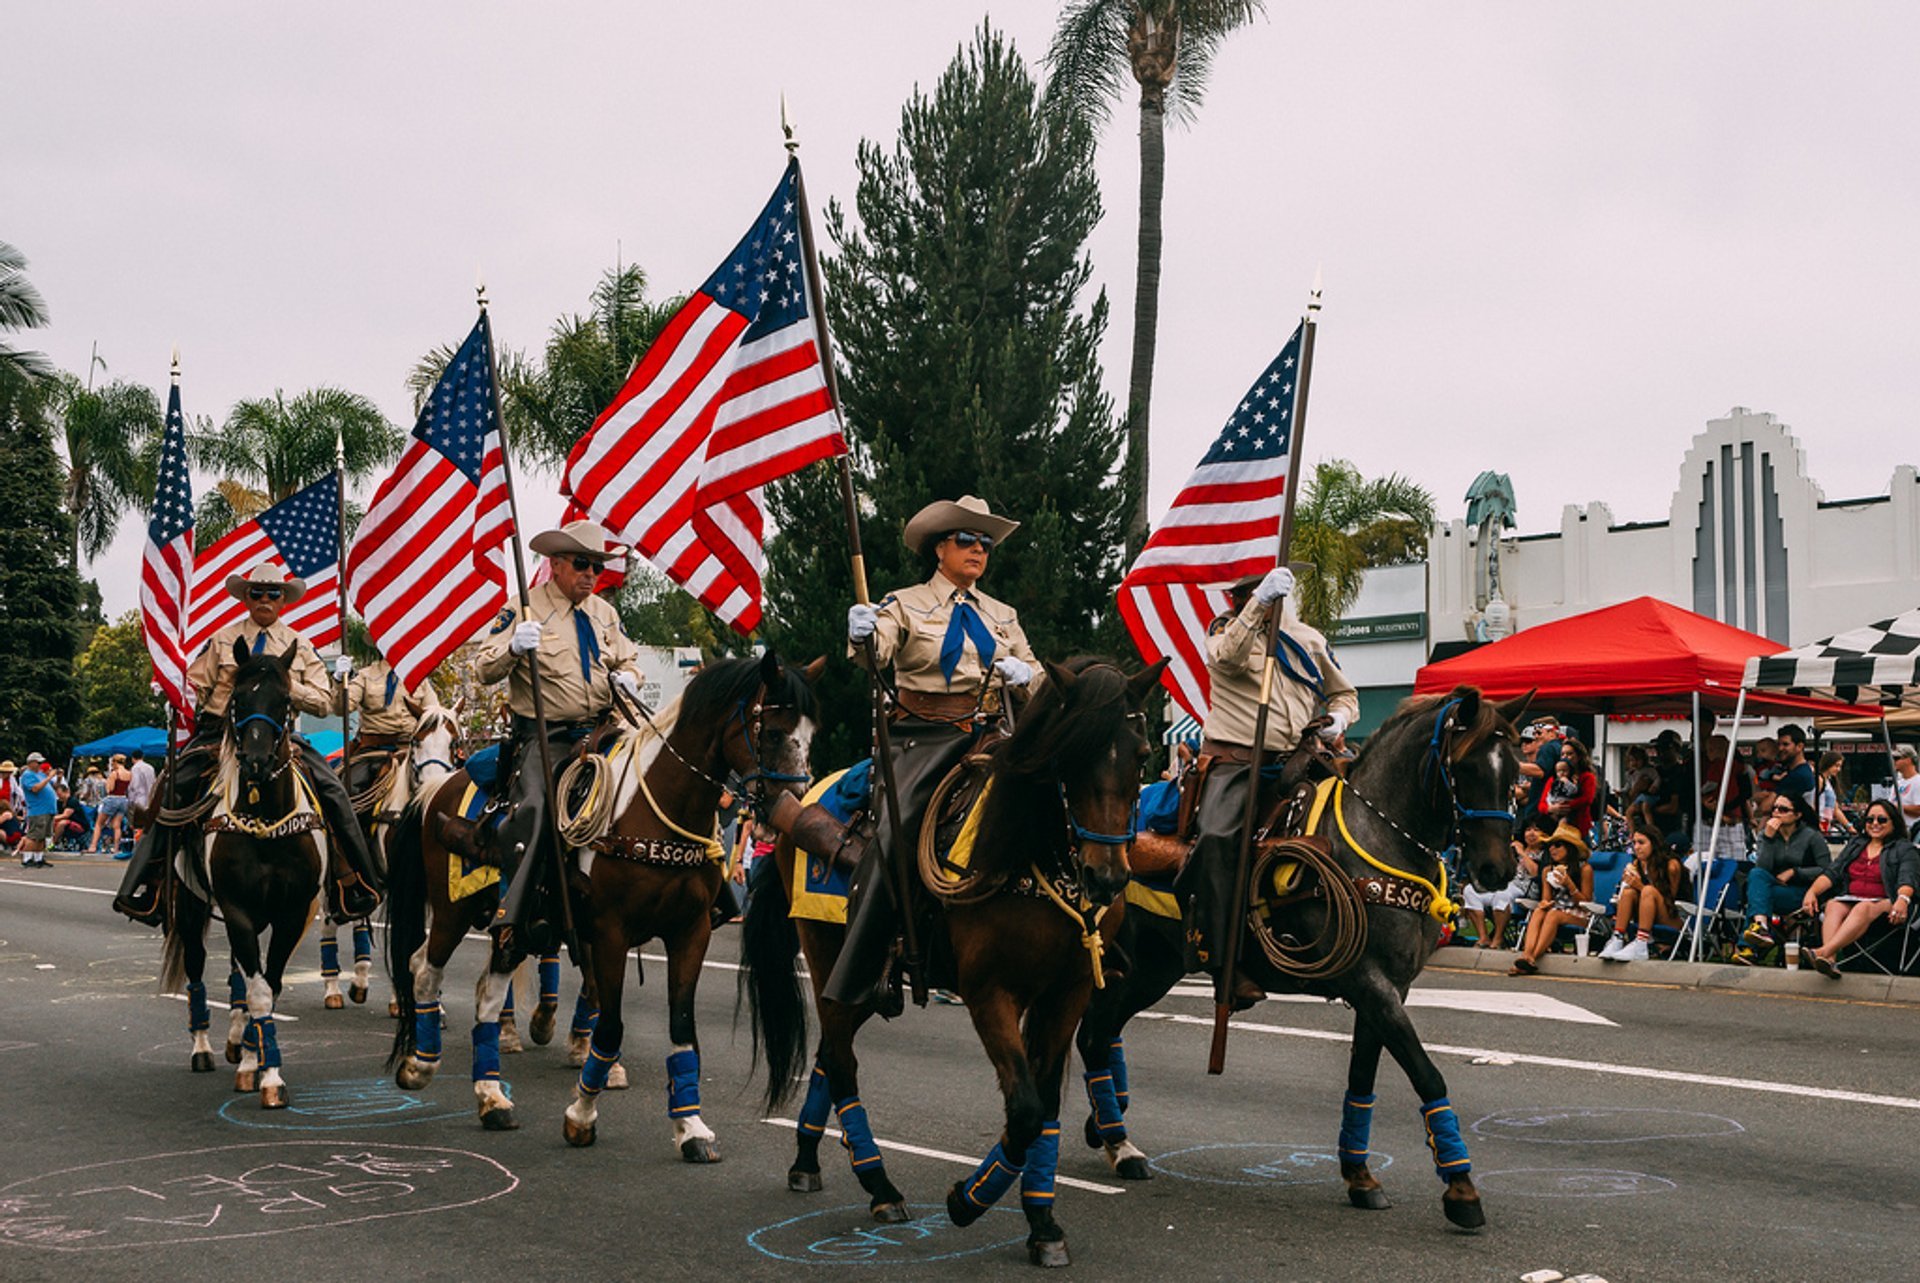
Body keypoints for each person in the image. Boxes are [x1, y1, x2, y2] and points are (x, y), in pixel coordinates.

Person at [825, 496, 1039, 1011]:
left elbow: (1036, 671)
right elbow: (875, 655)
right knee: (898, 833)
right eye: (967, 540)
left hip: (992, 732)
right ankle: (868, 965)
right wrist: (861, 634)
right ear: (940, 548)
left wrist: (1027, 675)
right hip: (923, 735)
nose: (978, 551)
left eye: (985, 544)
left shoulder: (1001, 614)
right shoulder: (904, 603)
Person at [113, 564, 384, 925]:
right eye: (257, 592)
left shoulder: (300, 645)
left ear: (284, 600)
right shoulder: (223, 639)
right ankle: (149, 886)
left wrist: (284, 684)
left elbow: (323, 701)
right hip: (218, 734)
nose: (265, 600)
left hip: (278, 736)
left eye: (273, 593)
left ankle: (355, 883)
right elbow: (197, 686)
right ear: (246, 598)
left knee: (333, 790)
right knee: (173, 788)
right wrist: (174, 690)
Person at [1178, 561, 1358, 1009]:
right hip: (1237, 761)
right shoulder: (1223, 634)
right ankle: (1222, 965)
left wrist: (1339, 717)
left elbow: (1345, 693)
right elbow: (1227, 659)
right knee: (1219, 839)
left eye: (1271, 588)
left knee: (1355, 821)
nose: (1268, 596)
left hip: (1301, 758)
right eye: (1251, 591)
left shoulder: (1310, 640)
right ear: (1237, 599)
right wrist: (1258, 608)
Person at [476, 519, 642, 950]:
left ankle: (708, 890)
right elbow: (483, 668)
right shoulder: (524, 608)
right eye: (582, 564)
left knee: (654, 780)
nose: (590, 574)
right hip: (547, 735)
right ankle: (515, 916)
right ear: (555, 565)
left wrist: (630, 678)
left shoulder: (605, 613)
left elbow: (629, 660)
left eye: (597, 568)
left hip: (606, 729)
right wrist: (513, 647)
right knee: (536, 807)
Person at [1800, 799, 1918, 978]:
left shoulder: (1904, 848)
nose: (1875, 824)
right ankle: (1830, 960)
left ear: (1894, 823)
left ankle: (1824, 952)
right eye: (1870, 820)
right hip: (1852, 897)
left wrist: (1903, 899)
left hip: (1889, 901)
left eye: (1882, 820)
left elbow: (1907, 878)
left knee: (1864, 908)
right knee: (1833, 904)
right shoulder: (1857, 844)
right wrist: (1812, 892)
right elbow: (1833, 872)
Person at [1736, 790, 1828, 963]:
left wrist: (1795, 871)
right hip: (1772, 887)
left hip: (1803, 893)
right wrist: (1769, 839)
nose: (1776, 812)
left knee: (1758, 898)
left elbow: (1827, 869)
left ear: (1797, 815)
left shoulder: (1812, 836)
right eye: (1775, 808)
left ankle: (1749, 948)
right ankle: (1761, 926)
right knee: (1756, 877)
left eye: (1783, 809)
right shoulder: (1767, 834)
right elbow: (1762, 868)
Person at [1509, 822, 1594, 975]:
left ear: (1570, 848)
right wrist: (1544, 903)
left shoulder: (1584, 869)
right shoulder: (1548, 870)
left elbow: (1585, 903)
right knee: (1539, 912)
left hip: (1581, 914)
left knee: (1553, 915)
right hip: (1556, 910)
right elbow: (1546, 899)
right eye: (1551, 846)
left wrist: (1570, 885)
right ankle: (1526, 956)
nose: (1552, 849)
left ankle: (1530, 958)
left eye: (1558, 845)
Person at [1598, 824, 1687, 962]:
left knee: (1647, 890)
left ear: (1654, 843)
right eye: (1634, 843)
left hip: (1674, 917)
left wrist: (1639, 886)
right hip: (1648, 914)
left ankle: (1640, 944)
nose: (1636, 847)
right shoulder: (1638, 863)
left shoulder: (1671, 865)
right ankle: (1617, 939)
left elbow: (1670, 900)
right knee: (1628, 892)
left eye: (1641, 842)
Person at [1463, 813, 1550, 948]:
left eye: (1536, 830)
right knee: (1470, 890)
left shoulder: (1546, 853)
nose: (1531, 833)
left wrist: (1522, 854)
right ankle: (1483, 937)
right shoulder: (1513, 848)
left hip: (1526, 890)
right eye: (1528, 830)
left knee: (1502, 894)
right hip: (1505, 884)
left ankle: (1498, 938)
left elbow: (1535, 873)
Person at [1541, 737, 1598, 836]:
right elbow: (1542, 802)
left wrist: (1566, 805)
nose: (1565, 757)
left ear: (1578, 756)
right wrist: (1550, 808)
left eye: (1569, 754)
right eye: (1563, 754)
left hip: (1579, 825)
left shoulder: (1587, 776)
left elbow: (1587, 799)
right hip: (1553, 824)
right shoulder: (1554, 778)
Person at [17, 752, 57, 868]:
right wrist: (49, 777)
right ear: (31, 763)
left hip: (48, 809)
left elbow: (51, 785)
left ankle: (38, 858)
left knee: (43, 836)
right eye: (38, 762)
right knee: (34, 836)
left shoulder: (40, 774)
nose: (40, 765)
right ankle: (27, 858)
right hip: (38, 810)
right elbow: (35, 788)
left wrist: (53, 776)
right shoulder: (28, 775)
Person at [91, 754, 132, 854]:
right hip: (123, 799)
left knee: (98, 823)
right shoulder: (129, 773)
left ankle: (93, 846)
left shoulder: (114, 773)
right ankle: (117, 848)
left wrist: (107, 782)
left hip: (113, 799)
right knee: (116, 825)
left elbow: (110, 789)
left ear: (114, 762)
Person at [1814, 751, 1853, 837]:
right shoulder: (1820, 780)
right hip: (1818, 824)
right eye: (1836, 765)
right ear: (1828, 764)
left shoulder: (1828, 782)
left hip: (1825, 825)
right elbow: (1811, 802)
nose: (1838, 769)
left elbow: (1835, 809)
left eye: (1840, 766)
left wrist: (1849, 827)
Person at [1894, 746, 1920, 825]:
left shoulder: (1918, 781)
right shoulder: (1897, 783)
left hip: (1913, 831)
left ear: (1908, 760)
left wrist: (1897, 807)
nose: (1894, 761)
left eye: (1897, 758)